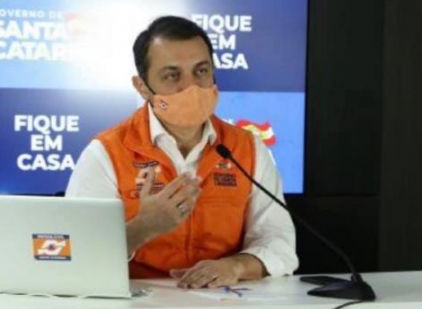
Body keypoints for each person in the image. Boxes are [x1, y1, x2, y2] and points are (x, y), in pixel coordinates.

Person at [66, 15, 298, 288]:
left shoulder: (247, 148)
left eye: (201, 71)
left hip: (225, 302)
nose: (191, 87)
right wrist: (144, 227)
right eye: (172, 75)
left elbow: (279, 245)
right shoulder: (106, 153)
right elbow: (76, 254)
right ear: (142, 87)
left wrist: (235, 266)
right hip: (134, 306)